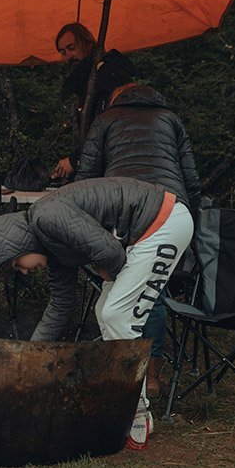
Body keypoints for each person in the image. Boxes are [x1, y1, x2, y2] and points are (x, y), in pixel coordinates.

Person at [0, 177, 194, 450]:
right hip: (147, 231)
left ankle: (137, 413)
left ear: (18, 244)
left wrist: (106, 270)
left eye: (15, 264)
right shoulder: (52, 246)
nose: (22, 271)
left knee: (116, 314)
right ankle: (124, 404)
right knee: (104, 311)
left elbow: (110, 251)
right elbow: (61, 305)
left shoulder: (47, 218)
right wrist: (28, 359)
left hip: (164, 221)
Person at [75, 83, 202, 397]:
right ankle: (150, 376)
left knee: (119, 290)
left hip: (125, 211)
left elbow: (87, 175)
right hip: (171, 209)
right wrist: (191, 220)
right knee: (152, 294)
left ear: (116, 99)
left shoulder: (105, 118)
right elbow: (191, 176)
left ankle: (121, 377)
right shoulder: (170, 118)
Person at [50, 23, 136, 182]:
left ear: (88, 44)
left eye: (72, 47)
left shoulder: (107, 75)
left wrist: (75, 160)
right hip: (99, 170)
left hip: (114, 171)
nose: (68, 56)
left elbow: (106, 129)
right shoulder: (84, 81)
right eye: (63, 52)